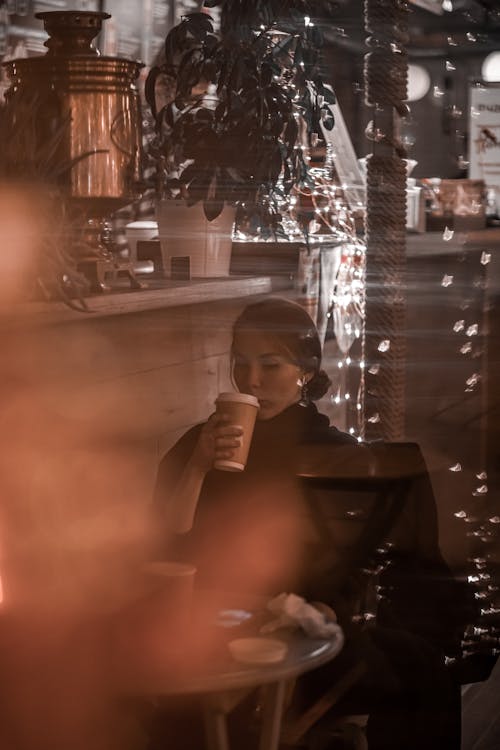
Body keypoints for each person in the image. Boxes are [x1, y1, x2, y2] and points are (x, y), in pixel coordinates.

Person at [152, 297, 463, 750]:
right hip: (211, 619)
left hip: (301, 624)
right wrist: (198, 467)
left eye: (270, 364)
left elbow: (358, 559)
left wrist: (322, 611)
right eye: (240, 363)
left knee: (420, 665)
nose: (251, 379)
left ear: (307, 370)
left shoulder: (336, 454)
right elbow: (165, 543)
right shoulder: (200, 443)